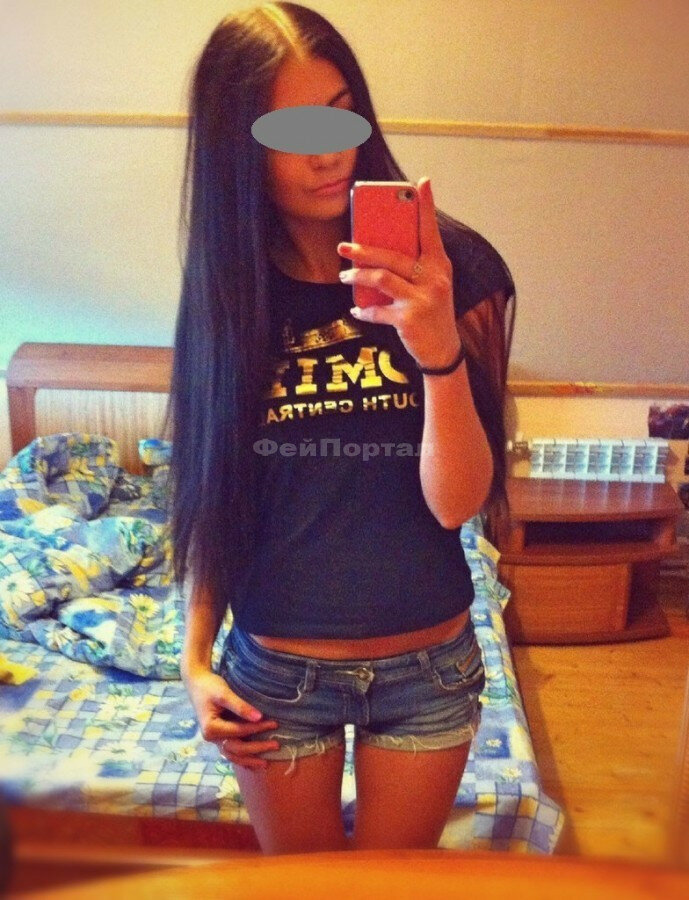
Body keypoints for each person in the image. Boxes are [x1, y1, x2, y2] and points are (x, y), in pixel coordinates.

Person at [162, 1, 516, 855]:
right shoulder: (230, 294)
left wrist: (435, 351)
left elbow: (457, 503)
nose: (325, 151)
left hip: (427, 670)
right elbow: (215, 493)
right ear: (235, 144)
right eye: (289, 130)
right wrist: (194, 661)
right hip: (276, 675)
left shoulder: (456, 273)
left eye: (337, 113)